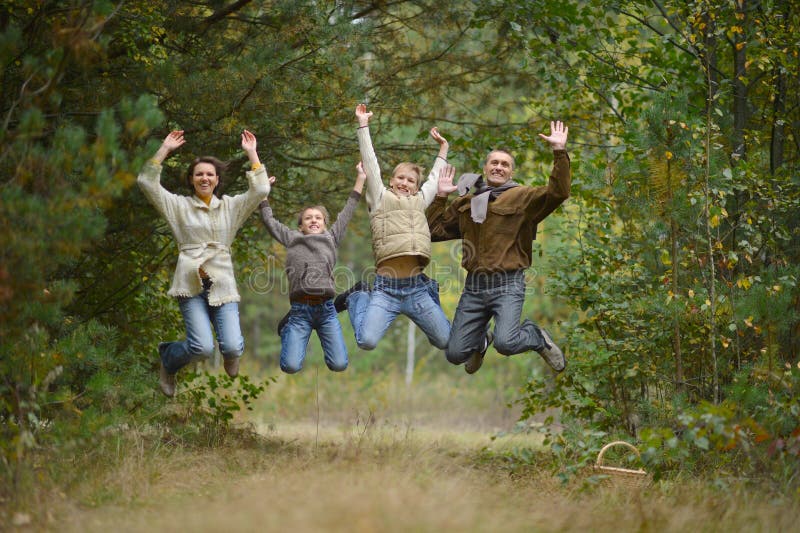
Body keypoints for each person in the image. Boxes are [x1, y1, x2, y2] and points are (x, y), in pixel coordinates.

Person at [426, 121, 571, 374]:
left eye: (505, 164)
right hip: (474, 286)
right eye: (494, 162)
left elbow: (558, 192)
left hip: (508, 284)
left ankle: (537, 337)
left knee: (506, 342)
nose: (499, 167)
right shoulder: (466, 202)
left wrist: (559, 151)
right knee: (455, 353)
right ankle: (481, 341)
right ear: (485, 168)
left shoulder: (524, 197)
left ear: (511, 172)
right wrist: (440, 197)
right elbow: (432, 231)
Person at [137, 129, 270, 397]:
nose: (204, 178)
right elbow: (146, 183)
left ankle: (232, 352)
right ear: (191, 180)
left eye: (210, 174)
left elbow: (261, 189)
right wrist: (164, 150)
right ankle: (168, 358)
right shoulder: (177, 206)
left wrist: (252, 153)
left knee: (231, 347)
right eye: (199, 174)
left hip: (222, 285)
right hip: (191, 286)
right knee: (202, 349)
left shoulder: (231, 207)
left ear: (217, 179)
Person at [338, 103, 451, 351]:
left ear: (415, 186)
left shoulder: (420, 201)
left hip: (416, 288)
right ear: (391, 180)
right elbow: (371, 163)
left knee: (445, 341)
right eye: (400, 177)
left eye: (411, 180)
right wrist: (363, 125)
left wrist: (444, 148)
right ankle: (356, 298)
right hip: (385, 289)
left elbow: (434, 180)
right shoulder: (379, 197)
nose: (405, 182)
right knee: (366, 341)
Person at [259, 162, 366, 374]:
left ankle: (347, 299)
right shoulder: (292, 238)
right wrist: (263, 195)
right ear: (301, 225)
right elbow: (269, 221)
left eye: (318, 218)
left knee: (339, 364)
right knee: (290, 366)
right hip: (300, 311)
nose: (313, 220)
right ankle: (287, 326)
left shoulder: (331, 237)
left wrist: (361, 179)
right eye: (308, 218)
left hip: (326, 310)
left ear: (325, 224)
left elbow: (348, 211)